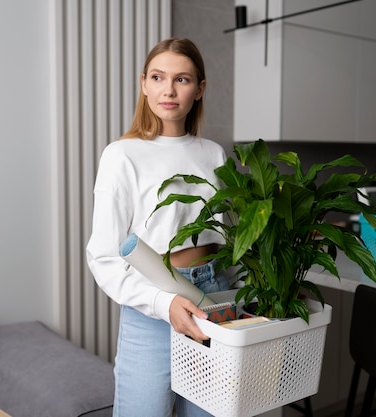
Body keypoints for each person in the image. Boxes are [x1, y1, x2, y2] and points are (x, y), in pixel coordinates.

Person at [86, 38, 231, 417]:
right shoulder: (121, 155)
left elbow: (229, 241)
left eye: (182, 79)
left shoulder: (214, 155)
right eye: (158, 77)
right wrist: (163, 304)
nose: (168, 90)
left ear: (199, 90)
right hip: (153, 307)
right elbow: (102, 256)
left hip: (211, 302)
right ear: (144, 84)